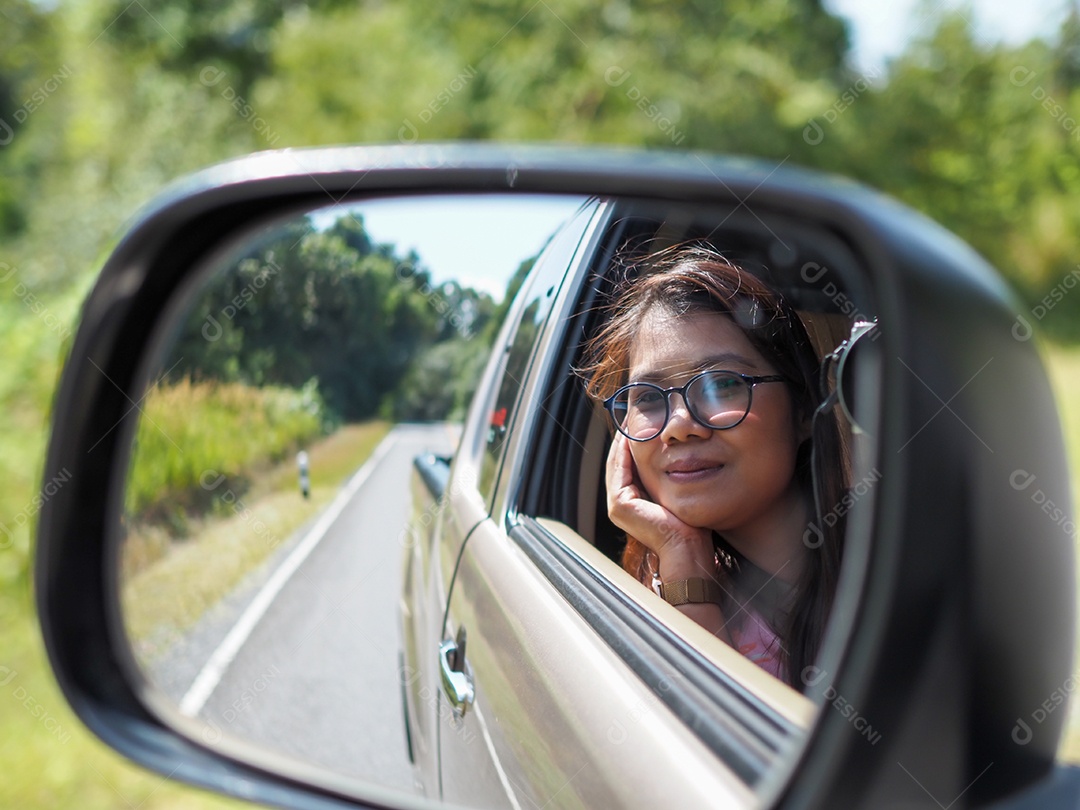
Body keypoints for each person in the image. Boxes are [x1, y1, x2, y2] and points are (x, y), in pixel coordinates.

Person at [579, 244, 848, 689]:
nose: (680, 428)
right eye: (647, 396)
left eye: (723, 384)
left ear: (804, 411)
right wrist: (681, 557)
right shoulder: (649, 599)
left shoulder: (891, 571)